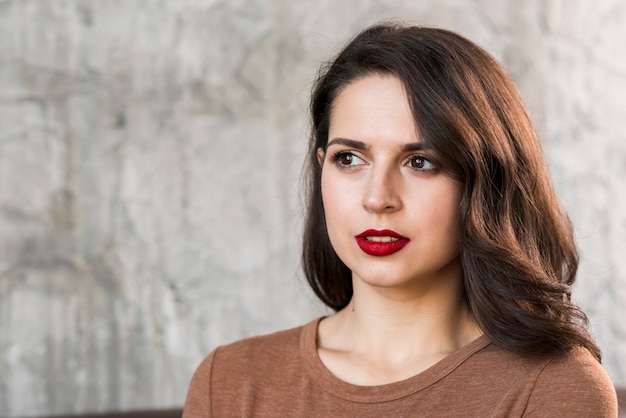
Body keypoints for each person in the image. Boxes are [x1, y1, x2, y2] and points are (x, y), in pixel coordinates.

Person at [183, 23, 618, 417]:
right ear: (322, 170)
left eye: (421, 162)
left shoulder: (553, 388)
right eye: (349, 158)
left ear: (484, 181)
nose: (377, 199)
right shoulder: (230, 382)